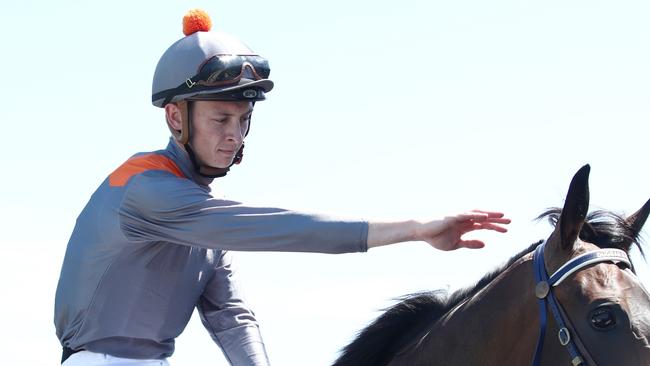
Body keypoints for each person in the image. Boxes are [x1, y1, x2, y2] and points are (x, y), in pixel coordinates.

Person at [54, 9, 511, 366]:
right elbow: (284, 229)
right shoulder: (146, 190)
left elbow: (231, 318)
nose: (234, 135)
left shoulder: (204, 226)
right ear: (176, 118)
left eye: (243, 119)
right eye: (220, 119)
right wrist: (415, 229)